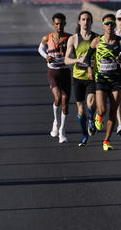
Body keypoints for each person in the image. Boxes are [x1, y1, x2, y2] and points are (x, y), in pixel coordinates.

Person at [86, 14, 121, 151]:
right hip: (101, 80)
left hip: (116, 81)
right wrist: (90, 70)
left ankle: (106, 141)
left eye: (112, 24)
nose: (110, 26)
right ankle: (99, 116)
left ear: (115, 25)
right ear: (103, 25)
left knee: (113, 112)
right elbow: (87, 59)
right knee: (103, 110)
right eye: (107, 23)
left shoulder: (120, 41)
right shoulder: (97, 41)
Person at [64, 11, 98, 147]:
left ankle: (91, 120)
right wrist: (78, 59)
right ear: (79, 22)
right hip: (78, 77)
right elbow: (66, 60)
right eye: (83, 19)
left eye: (88, 19)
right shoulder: (73, 39)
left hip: (91, 76)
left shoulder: (96, 38)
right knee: (80, 109)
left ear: (91, 22)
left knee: (91, 103)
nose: (86, 22)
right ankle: (84, 135)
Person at [38, 13, 71, 144]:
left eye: (61, 23)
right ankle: (56, 122)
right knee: (57, 97)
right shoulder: (48, 38)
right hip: (53, 72)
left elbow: (74, 51)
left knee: (65, 103)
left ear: (65, 24)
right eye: (57, 24)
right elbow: (40, 49)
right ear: (53, 24)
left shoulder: (69, 38)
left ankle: (62, 131)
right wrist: (46, 56)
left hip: (65, 72)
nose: (59, 26)